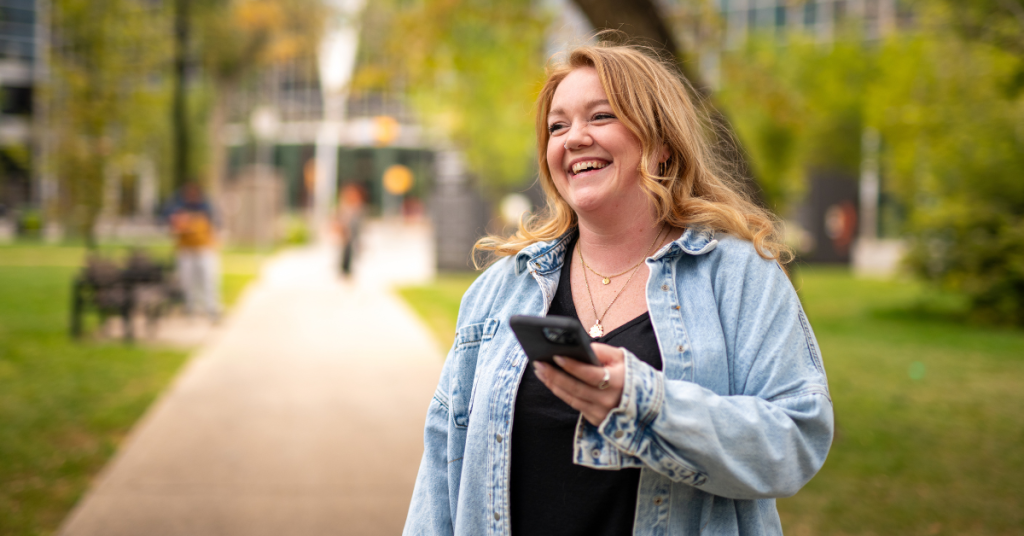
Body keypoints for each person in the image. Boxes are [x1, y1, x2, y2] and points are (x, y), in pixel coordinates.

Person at [404, 42, 833, 536]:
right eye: (557, 126)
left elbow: (796, 441)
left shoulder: (738, 274)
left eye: (600, 116)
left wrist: (644, 402)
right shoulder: (500, 289)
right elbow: (442, 468)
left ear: (660, 140)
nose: (574, 138)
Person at [168, 182, 221, 321]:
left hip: (204, 249)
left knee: (209, 280)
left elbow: (215, 225)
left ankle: (211, 308)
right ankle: (191, 308)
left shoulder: (206, 206)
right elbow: (171, 223)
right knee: (187, 281)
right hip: (186, 250)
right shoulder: (178, 206)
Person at [335, 182, 366, 277]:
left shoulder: (356, 206)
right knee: (346, 250)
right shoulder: (345, 206)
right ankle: (344, 269)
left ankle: (347, 270)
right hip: (347, 232)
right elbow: (340, 218)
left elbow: (358, 221)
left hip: (353, 232)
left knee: (351, 250)